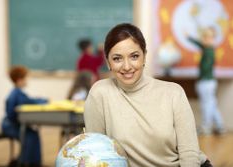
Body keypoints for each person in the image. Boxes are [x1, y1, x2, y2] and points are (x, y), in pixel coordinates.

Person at [84, 23, 212, 167]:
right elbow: (96, 153)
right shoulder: (100, 93)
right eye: (117, 58)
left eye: (134, 56)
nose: (127, 67)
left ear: (144, 56)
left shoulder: (173, 93)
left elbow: (189, 153)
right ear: (108, 62)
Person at [1, 66, 47, 167]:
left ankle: (31, 162)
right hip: (10, 125)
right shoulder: (17, 94)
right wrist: (43, 100)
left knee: (32, 133)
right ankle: (25, 162)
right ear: (19, 80)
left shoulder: (18, 92)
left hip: (12, 123)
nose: (27, 80)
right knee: (29, 135)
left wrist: (39, 100)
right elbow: (31, 102)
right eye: (25, 78)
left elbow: (30, 101)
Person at [187, 27, 225, 135]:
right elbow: (199, 43)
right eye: (203, 38)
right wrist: (189, 37)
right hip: (208, 81)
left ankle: (206, 126)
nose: (203, 40)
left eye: (206, 38)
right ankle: (220, 125)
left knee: (206, 105)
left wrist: (200, 70)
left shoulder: (209, 51)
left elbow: (205, 67)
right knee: (211, 104)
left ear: (211, 39)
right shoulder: (207, 48)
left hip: (206, 81)